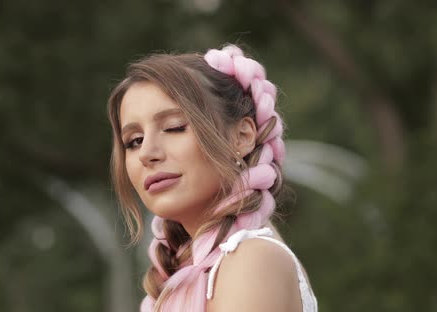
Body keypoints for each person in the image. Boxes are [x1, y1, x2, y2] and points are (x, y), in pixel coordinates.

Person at [107, 44, 318, 312]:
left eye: (174, 127)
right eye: (134, 141)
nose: (146, 153)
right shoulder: (203, 271)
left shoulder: (251, 260)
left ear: (241, 137)